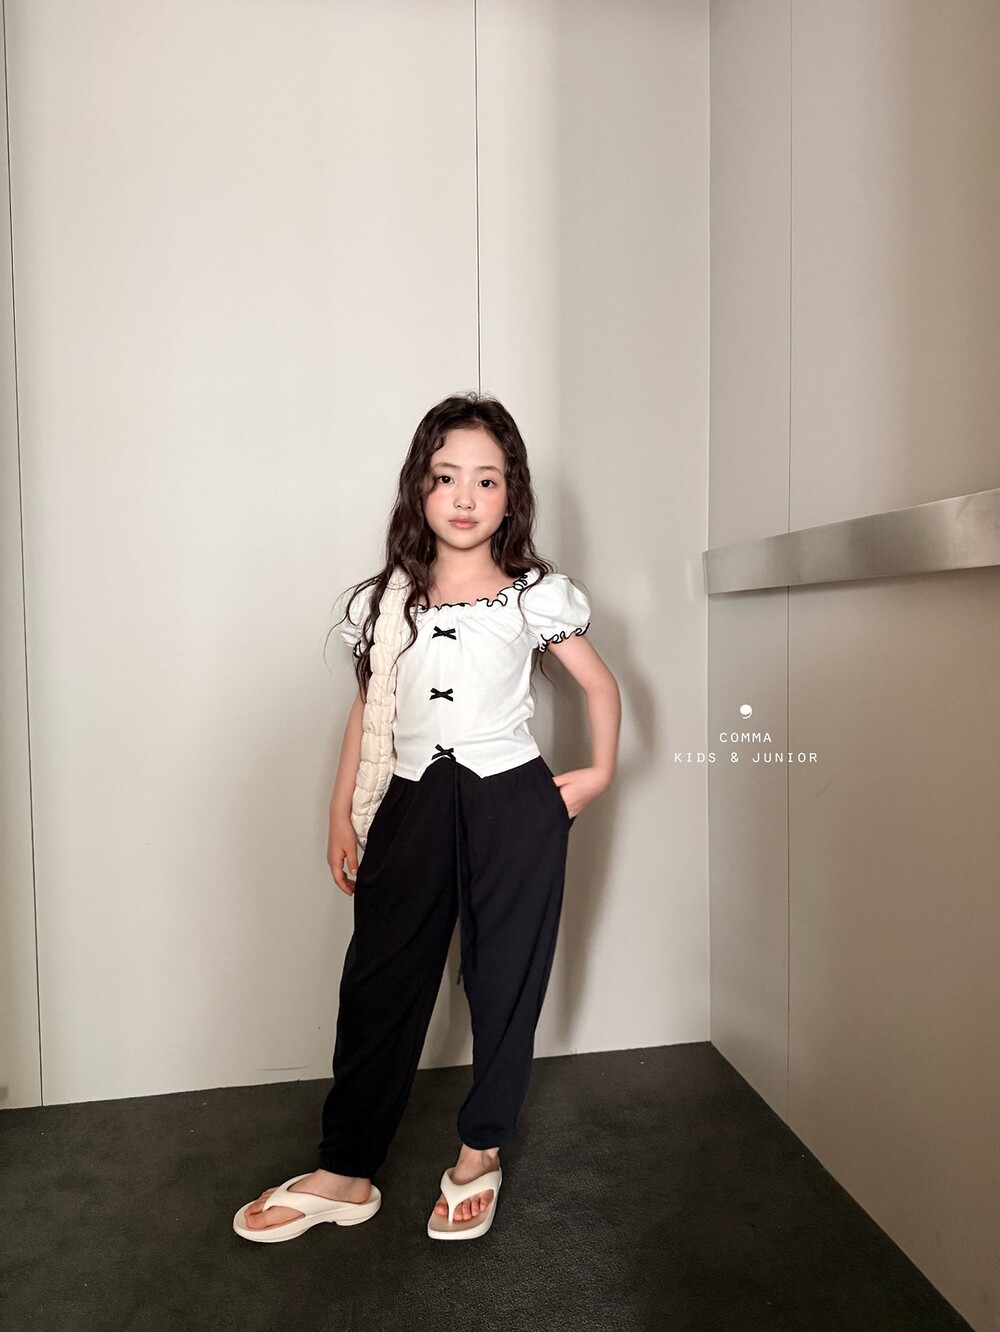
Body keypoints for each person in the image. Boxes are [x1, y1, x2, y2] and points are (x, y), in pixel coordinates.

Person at [233, 391, 621, 1243]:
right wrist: (341, 812)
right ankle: (346, 1169)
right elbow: (367, 712)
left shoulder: (532, 596)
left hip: (510, 800)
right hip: (409, 799)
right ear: (419, 487)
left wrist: (595, 775)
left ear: (511, 495)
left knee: (504, 976)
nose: (465, 497)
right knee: (380, 979)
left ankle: (480, 1151)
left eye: (487, 480)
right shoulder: (384, 602)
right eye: (446, 477)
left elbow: (599, 685)